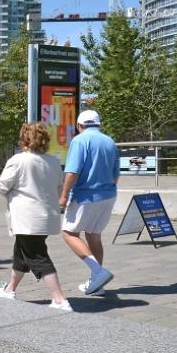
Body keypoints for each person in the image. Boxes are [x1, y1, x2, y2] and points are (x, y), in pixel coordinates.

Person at [0, 123, 71, 311]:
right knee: (21, 253)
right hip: (47, 217)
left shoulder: (18, 160)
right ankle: (10, 290)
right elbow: (59, 186)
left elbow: (1, 187)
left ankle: (59, 300)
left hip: (27, 218)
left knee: (37, 256)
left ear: (25, 139)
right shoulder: (53, 161)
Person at [60, 109, 120, 296]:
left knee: (69, 233)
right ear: (98, 124)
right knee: (94, 236)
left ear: (79, 126)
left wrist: (63, 196)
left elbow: (72, 172)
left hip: (86, 196)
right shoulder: (110, 141)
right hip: (108, 195)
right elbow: (116, 173)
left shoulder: (79, 140)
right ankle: (97, 283)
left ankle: (98, 272)